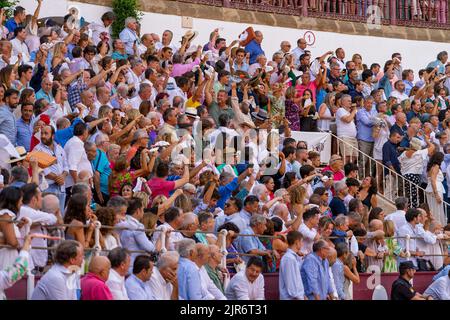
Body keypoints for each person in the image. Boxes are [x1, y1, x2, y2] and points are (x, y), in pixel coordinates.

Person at [279, 230, 305, 300]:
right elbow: (290, 283)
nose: (302, 244)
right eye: (301, 241)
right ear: (297, 242)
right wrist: (298, 297)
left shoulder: (293, 257)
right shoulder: (289, 258)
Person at [425, 152, 446, 226]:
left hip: (431, 188)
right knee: (437, 211)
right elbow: (433, 180)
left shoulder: (431, 167)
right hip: (435, 188)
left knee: (433, 210)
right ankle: (438, 227)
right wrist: (436, 194)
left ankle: (435, 227)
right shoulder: (436, 166)